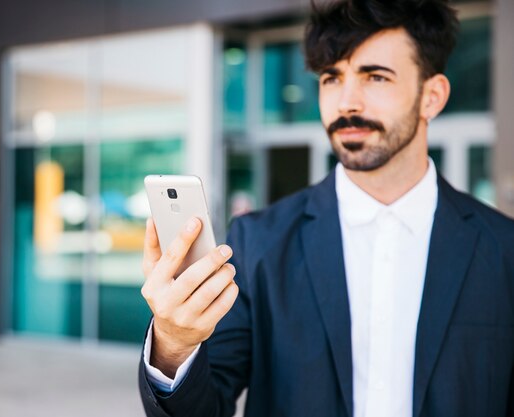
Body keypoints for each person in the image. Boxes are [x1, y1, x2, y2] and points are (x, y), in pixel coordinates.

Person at [138, 1, 514, 416]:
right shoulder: (259, 241)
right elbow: (207, 406)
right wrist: (174, 343)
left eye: (375, 77)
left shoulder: (503, 249)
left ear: (432, 96)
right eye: (332, 78)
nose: (347, 102)